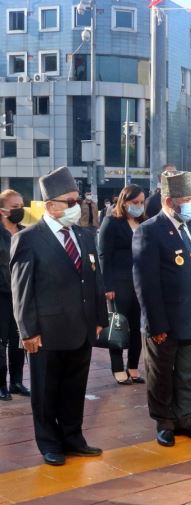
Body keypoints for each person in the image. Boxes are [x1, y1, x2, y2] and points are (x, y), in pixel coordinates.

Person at [11, 166, 107, 466]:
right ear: (50, 205)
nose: (76, 207)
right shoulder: (29, 239)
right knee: (45, 391)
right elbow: (22, 289)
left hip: (81, 327)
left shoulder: (83, 234)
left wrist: (100, 318)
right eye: (70, 202)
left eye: (78, 201)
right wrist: (28, 331)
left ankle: (72, 438)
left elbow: (94, 279)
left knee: (74, 388)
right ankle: (49, 443)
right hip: (47, 332)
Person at [133, 171, 191, 448]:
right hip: (165, 322)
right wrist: (156, 325)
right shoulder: (149, 230)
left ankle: (184, 419)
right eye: (186, 199)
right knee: (161, 376)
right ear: (169, 201)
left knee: (187, 374)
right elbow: (146, 285)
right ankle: (164, 423)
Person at [98, 185, 147, 385]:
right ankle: (118, 368)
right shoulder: (111, 222)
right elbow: (103, 255)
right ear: (124, 202)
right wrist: (107, 286)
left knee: (138, 328)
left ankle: (133, 367)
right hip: (119, 283)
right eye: (135, 203)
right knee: (118, 325)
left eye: (142, 202)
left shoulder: (143, 223)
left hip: (141, 283)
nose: (139, 206)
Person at [0, 190, 27, 399]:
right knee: (1, 341)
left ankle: (17, 382)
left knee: (19, 339)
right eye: (15, 206)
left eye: (21, 205)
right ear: (3, 210)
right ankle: (1, 384)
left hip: (21, 295)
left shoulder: (25, 232)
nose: (20, 210)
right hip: (1, 294)